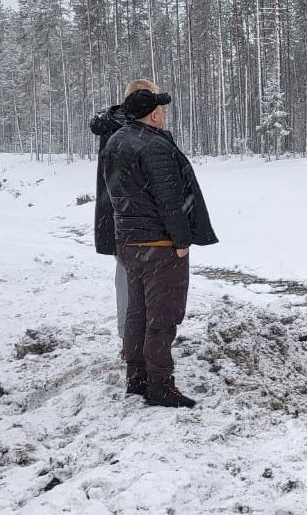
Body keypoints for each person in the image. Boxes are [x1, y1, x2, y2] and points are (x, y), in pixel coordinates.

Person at [102, 79, 219, 407]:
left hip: (129, 244)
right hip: (161, 247)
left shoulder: (115, 141)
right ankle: (160, 384)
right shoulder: (154, 146)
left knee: (136, 313)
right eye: (161, 109)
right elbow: (170, 200)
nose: (164, 114)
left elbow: (114, 195)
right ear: (152, 115)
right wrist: (182, 240)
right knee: (162, 316)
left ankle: (136, 376)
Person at [90, 101, 129, 356]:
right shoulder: (125, 133)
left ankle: (130, 339)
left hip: (117, 218)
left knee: (125, 277)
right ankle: (131, 340)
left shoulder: (112, 128)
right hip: (127, 219)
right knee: (129, 279)